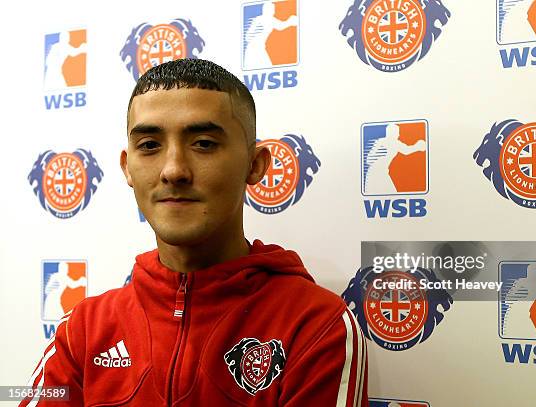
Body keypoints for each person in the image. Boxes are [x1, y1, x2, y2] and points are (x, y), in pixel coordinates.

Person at [21, 59, 368, 406]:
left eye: (203, 143)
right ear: (127, 168)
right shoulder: (82, 330)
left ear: (255, 164)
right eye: (149, 146)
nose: (173, 170)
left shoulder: (316, 326)